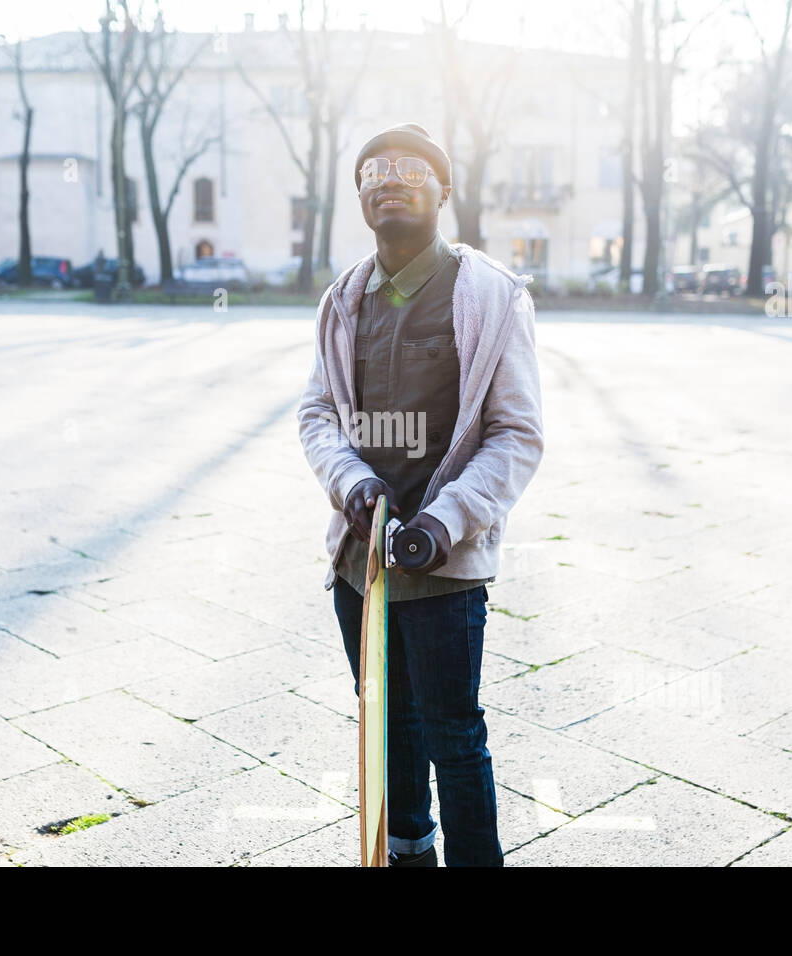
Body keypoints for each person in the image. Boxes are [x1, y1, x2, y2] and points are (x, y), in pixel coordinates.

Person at [296, 122, 544, 867]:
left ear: (443, 190)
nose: (388, 176)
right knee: (383, 720)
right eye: (372, 170)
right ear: (362, 199)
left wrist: (445, 520)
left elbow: (516, 434)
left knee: (453, 734)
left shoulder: (490, 297)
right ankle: (407, 849)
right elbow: (317, 414)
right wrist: (353, 483)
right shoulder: (343, 300)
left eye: (409, 166)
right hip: (360, 566)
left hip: (446, 566)